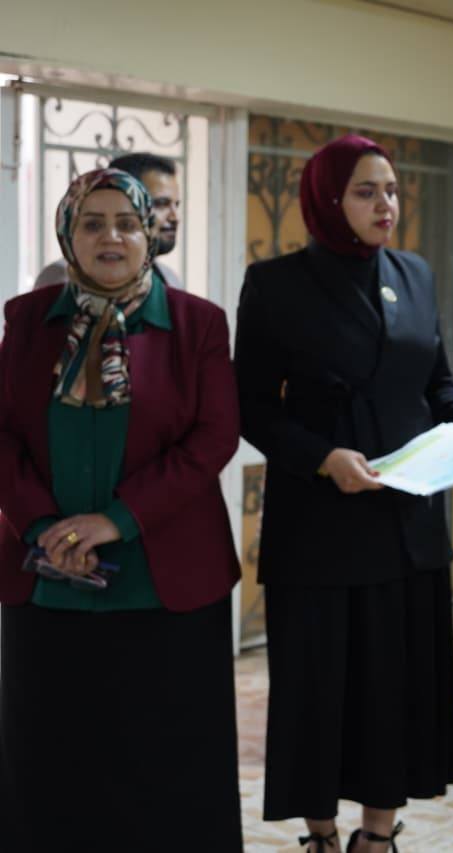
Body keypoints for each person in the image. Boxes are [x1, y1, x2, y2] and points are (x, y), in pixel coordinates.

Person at [236, 135, 453, 853]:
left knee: (393, 688)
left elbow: (435, 382)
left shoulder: (414, 273)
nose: (387, 204)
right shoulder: (276, 284)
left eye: (392, 190)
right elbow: (251, 406)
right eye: (366, 191)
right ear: (327, 199)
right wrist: (322, 459)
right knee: (320, 688)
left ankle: (377, 838)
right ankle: (321, 835)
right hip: (319, 525)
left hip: (406, 522)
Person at [0, 168, 242, 851]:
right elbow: (3, 435)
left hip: (166, 585)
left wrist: (117, 519)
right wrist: (42, 527)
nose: (112, 237)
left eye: (128, 223)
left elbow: (214, 437)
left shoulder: (197, 323)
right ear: (68, 236)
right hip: (47, 580)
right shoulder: (28, 321)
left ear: (150, 233)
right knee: (52, 762)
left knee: (167, 765)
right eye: (92, 222)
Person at [35, 152, 185, 290]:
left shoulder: (169, 278)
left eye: (176, 205)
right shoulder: (61, 278)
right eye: (161, 204)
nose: (175, 217)